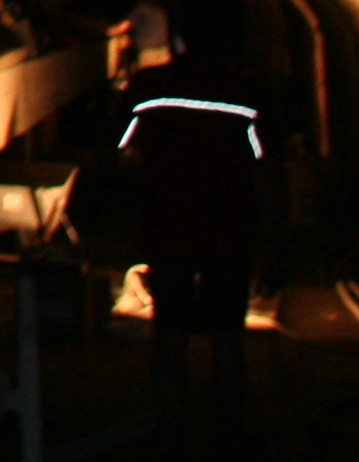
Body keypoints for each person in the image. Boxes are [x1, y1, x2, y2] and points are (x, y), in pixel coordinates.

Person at [122, 53, 264, 460]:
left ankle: (170, 436)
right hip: (228, 229)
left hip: (169, 227)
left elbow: (116, 149)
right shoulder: (245, 93)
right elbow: (268, 169)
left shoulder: (150, 88)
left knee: (170, 337)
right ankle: (231, 436)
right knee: (227, 338)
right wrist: (273, 245)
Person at [107, 0, 175, 91]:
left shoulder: (141, 10)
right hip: (164, 51)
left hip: (149, 52)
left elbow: (121, 29)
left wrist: (105, 30)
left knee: (149, 84)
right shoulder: (161, 10)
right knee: (162, 83)